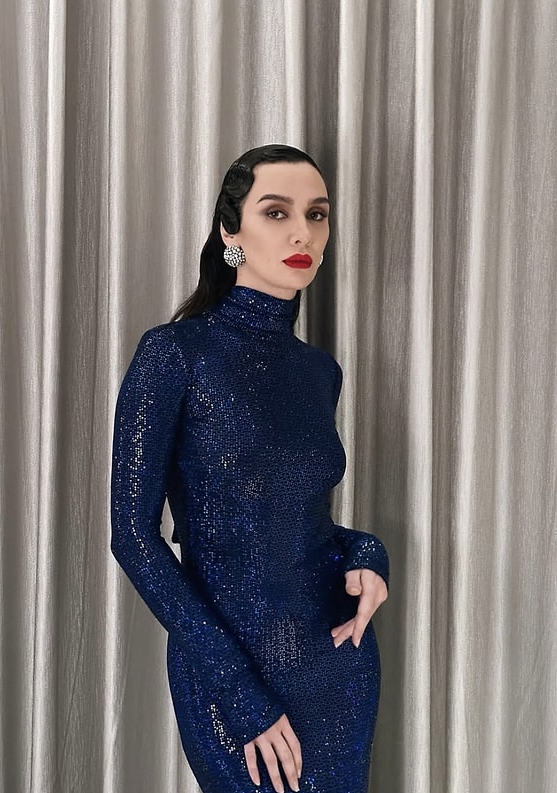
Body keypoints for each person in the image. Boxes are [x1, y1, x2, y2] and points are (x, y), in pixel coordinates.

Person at [110, 144, 389, 793]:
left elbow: (299, 526)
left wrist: (368, 554)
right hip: (230, 672)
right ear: (230, 232)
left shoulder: (319, 372)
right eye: (277, 211)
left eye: (316, 214)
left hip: (338, 666)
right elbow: (132, 537)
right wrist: (240, 693)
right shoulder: (174, 354)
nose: (302, 233)